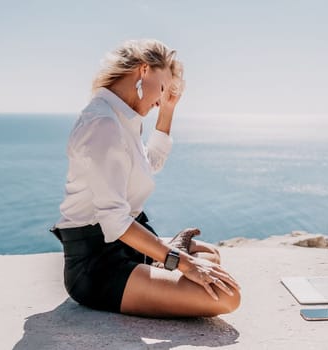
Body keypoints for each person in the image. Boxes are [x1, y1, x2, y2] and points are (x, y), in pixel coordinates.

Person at [50, 39, 241, 317]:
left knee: (210, 255)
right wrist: (182, 262)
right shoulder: (103, 123)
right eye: (162, 88)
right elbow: (114, 220)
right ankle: (163, 258)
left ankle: (160, 258)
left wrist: (168, 110)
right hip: (98, 265)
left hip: (125, 245)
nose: (160, 99)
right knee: (227, 296)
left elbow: (150, 163)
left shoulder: (122, 117)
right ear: (143, 71)